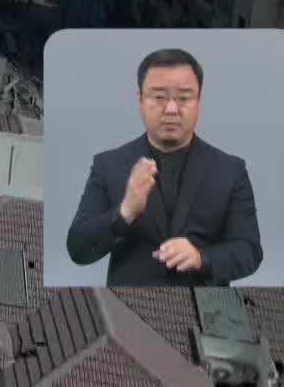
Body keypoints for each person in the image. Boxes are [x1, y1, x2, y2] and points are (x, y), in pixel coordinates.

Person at [65, 48, 262, 286]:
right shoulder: (108, 165)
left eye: (184, 98)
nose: (171, 109)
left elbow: (249, 250)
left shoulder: (230, 170)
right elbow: (77, 248)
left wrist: (202, 258)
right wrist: (125, 212)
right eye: (159, 97)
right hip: (128, 308)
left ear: (198, 100)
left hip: (202, 306)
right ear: (140, 100)